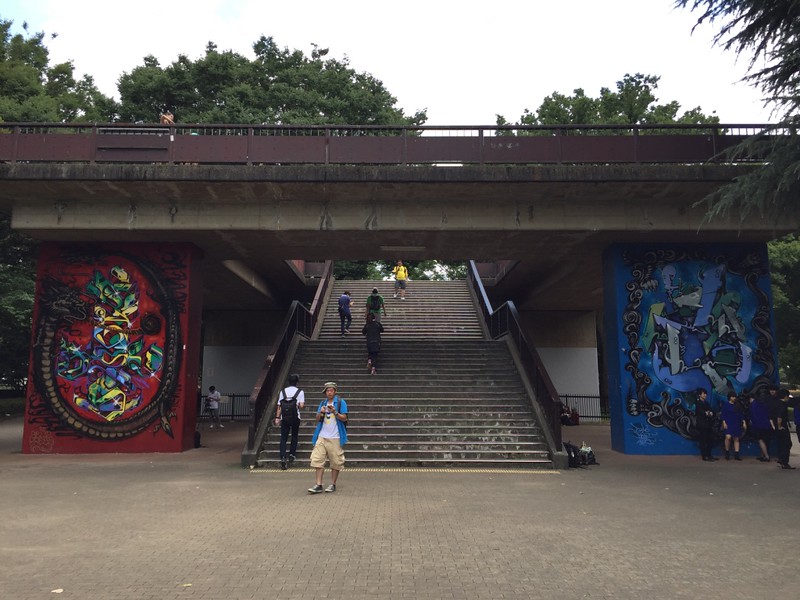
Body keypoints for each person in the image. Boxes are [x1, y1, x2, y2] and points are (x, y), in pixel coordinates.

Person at [308, 382, 348, 494]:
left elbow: (344, 418)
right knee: (317, 459)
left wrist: (334, 412)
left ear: (335, 391)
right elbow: (317, 419)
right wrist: (321, 412)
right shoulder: (323, 403)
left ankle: (333, 484)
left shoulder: (340, 402)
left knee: (336, 461)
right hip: (322, 436)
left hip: (335, 436)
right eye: (327, 391)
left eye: (331, 390)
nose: (329, 392)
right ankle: (318, 484)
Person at [274, 374, 305, 470]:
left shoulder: (283, 392)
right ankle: (292, 454)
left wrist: (277, 417)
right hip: (296, 417)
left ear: (288, 381)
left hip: (285, 418)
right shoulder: (300, 392)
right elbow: (302, 406)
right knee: (294, 435)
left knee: (283, 437)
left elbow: (279, 406)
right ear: (296, 382)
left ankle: (283, 457)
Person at [748, 391, 772, 462]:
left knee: (760, 440)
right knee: (764, 440)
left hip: (758, 425)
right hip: (766, 425)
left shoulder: (753, 405)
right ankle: (763, 455)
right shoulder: (762, 404)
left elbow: (753, 416)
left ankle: (766, 456)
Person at [774, 388, 795, 470]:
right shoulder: (782, 405)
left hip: (778, 427)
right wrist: (779, 426)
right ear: (786, 396)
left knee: (782, 443)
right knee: (787, 443)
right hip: (782, 427)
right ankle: (784, 461)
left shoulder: (777, 403)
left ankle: (781, 459)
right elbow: (779, 417)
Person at [694, 388, 717, 461]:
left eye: (705, 393)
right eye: (704, 393)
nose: (705, 395)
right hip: (702, 424)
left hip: (708, 424)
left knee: (710, 440)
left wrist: (709, 413)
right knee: (703, 440)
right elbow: (702, 412)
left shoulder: (706, 403)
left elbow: (712, 411)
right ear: (700, 394)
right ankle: (704, 456)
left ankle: (709, 454)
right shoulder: (698, 403)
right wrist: (707, 413)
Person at [721, 392, 745, 460]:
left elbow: (741, 414)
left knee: (736, 438)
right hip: (728, 423)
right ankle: (727, 452)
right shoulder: (726, 405)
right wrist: (724, 422)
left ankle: (736, 454)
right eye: (732, 397)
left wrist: (743, 422)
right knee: (728, 437)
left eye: (735, 397)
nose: (734, 398)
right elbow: (723, 414)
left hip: (736, 423)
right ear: (729, 397)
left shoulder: (738, 405)